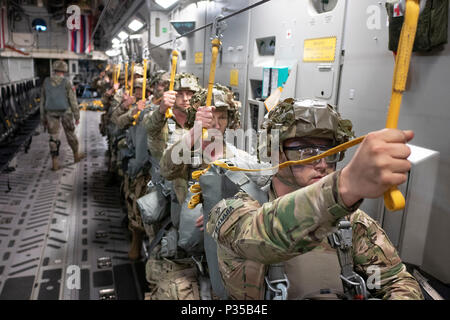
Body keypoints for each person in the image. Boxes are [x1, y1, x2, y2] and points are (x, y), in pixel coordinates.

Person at [205, 98, 424, 300]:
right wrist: (345, 185)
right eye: (307, 151)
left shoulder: (350, 220)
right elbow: (265, 238)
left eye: (329, 151)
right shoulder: (236, 210)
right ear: (274, 152)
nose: (322, 163)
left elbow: (395, 280)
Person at [40, 60, 85, 171]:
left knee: (53, 137)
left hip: (50, 112)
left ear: (54, 70)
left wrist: (43, 118)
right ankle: (76, 156)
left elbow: (42, 101)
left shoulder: (46, 82)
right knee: (70, 134)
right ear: (64, 71)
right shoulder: (66, 82)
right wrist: (77, 116)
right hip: (66, 112)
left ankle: (55, 163)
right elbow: (73, 100)